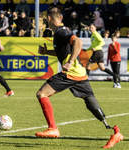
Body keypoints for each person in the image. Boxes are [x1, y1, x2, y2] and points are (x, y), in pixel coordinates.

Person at [35, 7, 123, 149]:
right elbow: (64, 52)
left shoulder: (60, 31)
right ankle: (115, 131)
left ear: (48, 19)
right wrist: (46, 52)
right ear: (61, 17)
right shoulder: (61, 31)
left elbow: (78, 43)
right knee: (92, 105)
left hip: (71, 74)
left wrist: (70, 62)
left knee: (41, 94)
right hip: (80, 74)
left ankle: (53, 128)